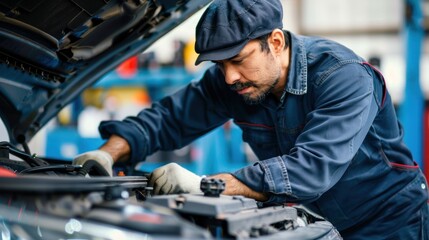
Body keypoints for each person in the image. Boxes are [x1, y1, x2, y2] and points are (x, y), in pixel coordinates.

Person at [73, 0, 429, 238]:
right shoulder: (235, 83)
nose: (229, 77)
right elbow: (168, 119)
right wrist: (109, 152)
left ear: (275, 42)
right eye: (220, 65)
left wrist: (206, 186)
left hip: (393, 222)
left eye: (238, 59)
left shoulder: (342, 76)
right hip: (322, 224)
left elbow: (311, 169)